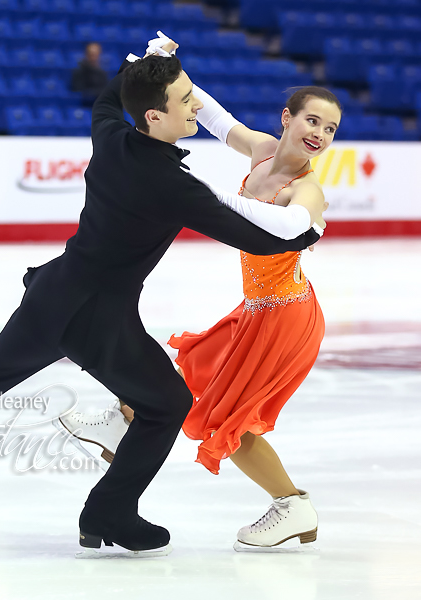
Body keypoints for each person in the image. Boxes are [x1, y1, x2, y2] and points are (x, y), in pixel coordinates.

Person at [0, 41, 323, 557]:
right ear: (155, 114)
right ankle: (110, 512)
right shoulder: (172, 184)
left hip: (55, 293)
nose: (197, 105)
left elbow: (108, 100)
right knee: (166, 404)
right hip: (102, 319)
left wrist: (136, 66)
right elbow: (257, 237)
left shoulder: (111, 134)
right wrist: (310, 232)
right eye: (186, 98)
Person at [59, 34, 341, 552]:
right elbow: (206, 113)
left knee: (228, 420)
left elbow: (292, 224)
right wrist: (160, 64)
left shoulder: (307, 188)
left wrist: (194, 193)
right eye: (312, 120)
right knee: (182, 374)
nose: (320, 133)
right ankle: (123, 424)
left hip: (286, 318)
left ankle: (293, 506)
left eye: (330, 128)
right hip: (256, 310)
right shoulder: (260, 149)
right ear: (287, 118)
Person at [70, 42, 109, 107]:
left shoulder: (102, 74)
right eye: (91, 55)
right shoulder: (78, 72)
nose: (93, 58)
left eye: (95, 55)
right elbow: (78, 90)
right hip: (82, 105)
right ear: (86, 55)